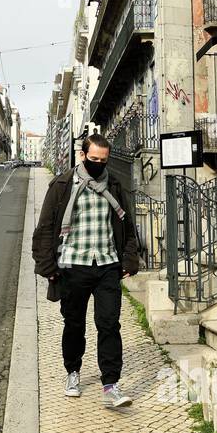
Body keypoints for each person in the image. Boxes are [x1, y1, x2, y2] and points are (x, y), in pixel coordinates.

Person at [31, 133, 141, 408]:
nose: (99, 165)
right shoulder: (62, 185)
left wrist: (129, 260)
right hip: (73, 265)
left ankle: (111, 385)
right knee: (74, 323)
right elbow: (45, 227)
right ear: (82, 156)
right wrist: (48, 267)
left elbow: (127, 227)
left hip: (107, 264)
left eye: (103, 161)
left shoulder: (113, 185)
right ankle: (73, 373)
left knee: (109, 324)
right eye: (94, 159)